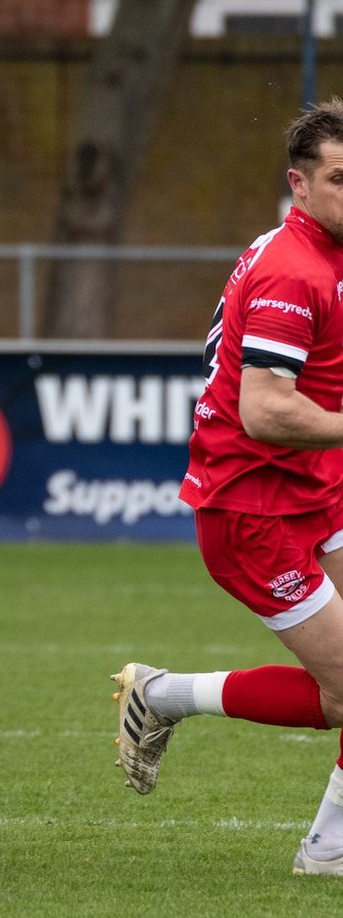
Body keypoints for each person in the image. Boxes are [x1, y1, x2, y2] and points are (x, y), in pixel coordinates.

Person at [112, 99, 343, 875]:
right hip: (253, 510)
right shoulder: (294, 269)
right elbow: (268, 409)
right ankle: (166, 696)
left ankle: (330, 845)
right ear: (299, 186)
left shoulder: (324, 252)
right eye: (340, 179)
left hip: (316, 488)